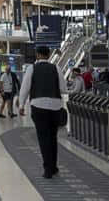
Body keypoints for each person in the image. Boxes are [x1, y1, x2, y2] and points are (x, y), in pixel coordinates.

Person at [18, 46, 68, 179]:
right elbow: (63, 89)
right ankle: (54, 167)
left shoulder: (32, 69)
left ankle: (48, 169)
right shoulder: (56, 68)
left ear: (38, 55)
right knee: (52, 137)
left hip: (38, 106)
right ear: (48, 54)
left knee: (43, 137)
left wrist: (21, 105)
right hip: (55, 107)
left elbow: (25, 88)